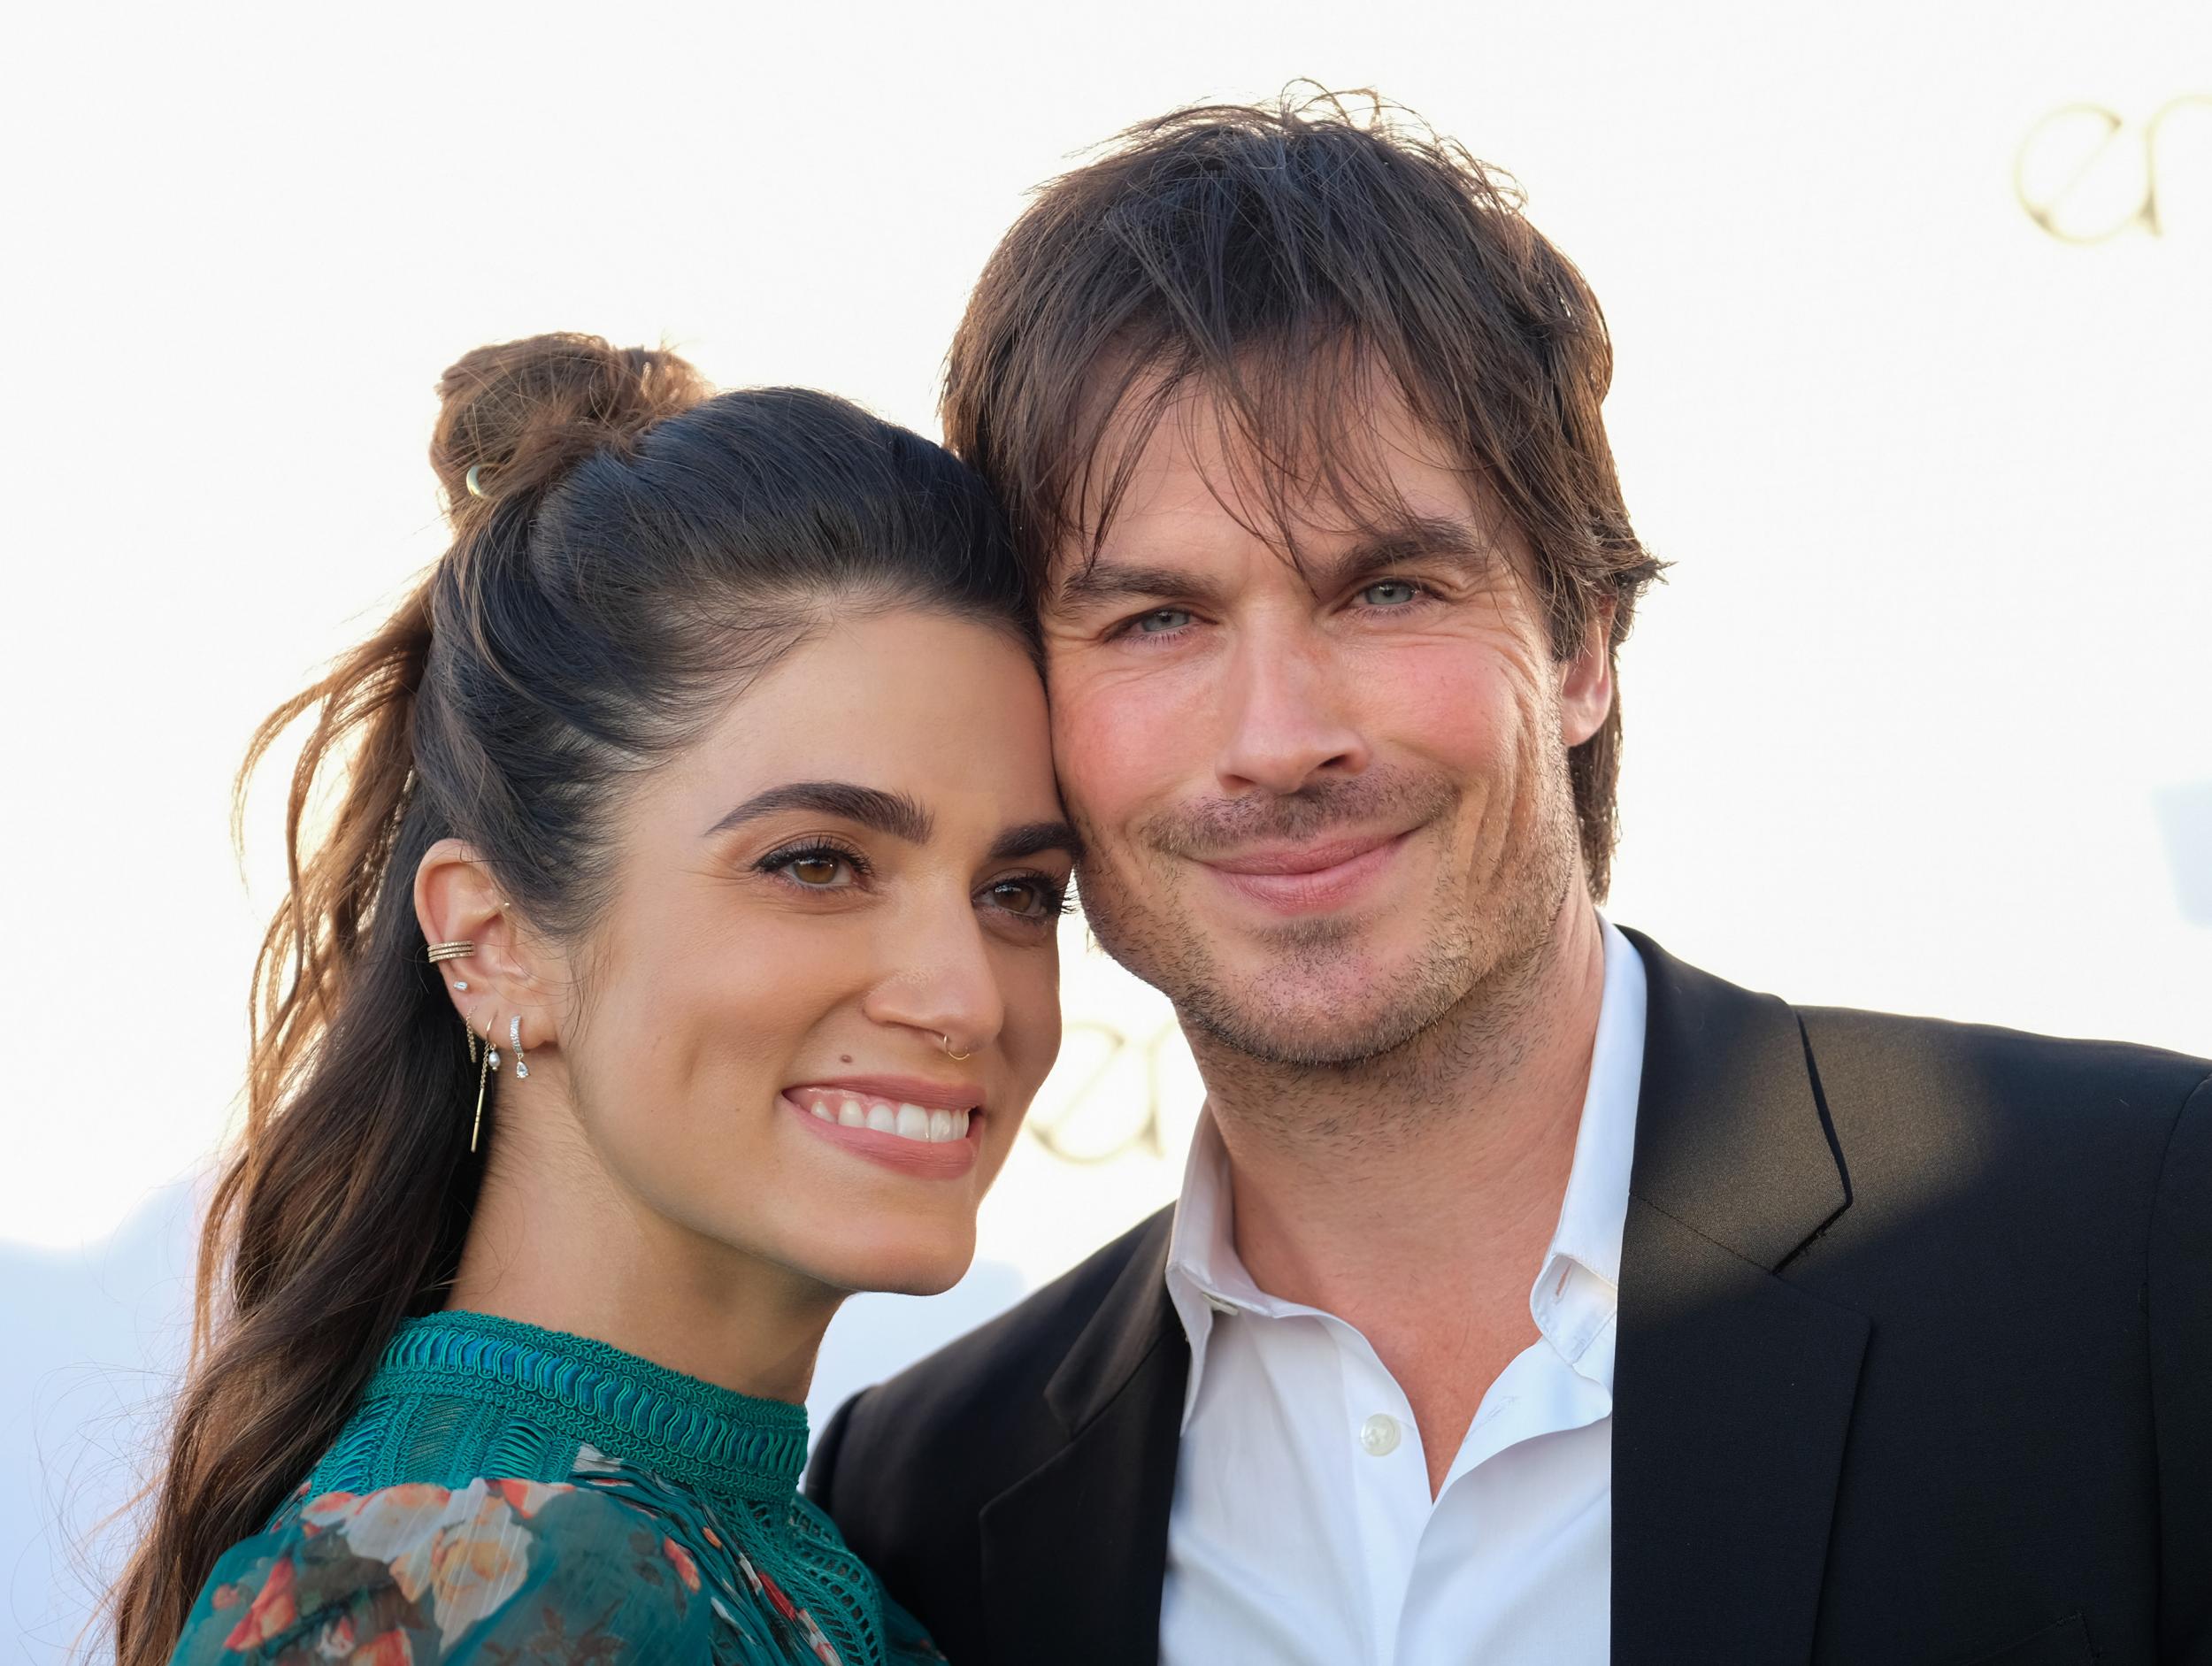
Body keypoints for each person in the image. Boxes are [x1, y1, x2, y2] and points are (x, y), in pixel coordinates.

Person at [804, 93, 2212, 1665]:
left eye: (1387, 589)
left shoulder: (2144, 1244)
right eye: (1155, 621)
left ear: (1582, 641)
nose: (1278, 740)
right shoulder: (917, 1500)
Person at [110, 334, 1079, 1666]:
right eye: (816, 863)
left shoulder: (671, 1551)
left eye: (1020, 892)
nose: (967, 994)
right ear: (496, 941)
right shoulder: (466, 1593)